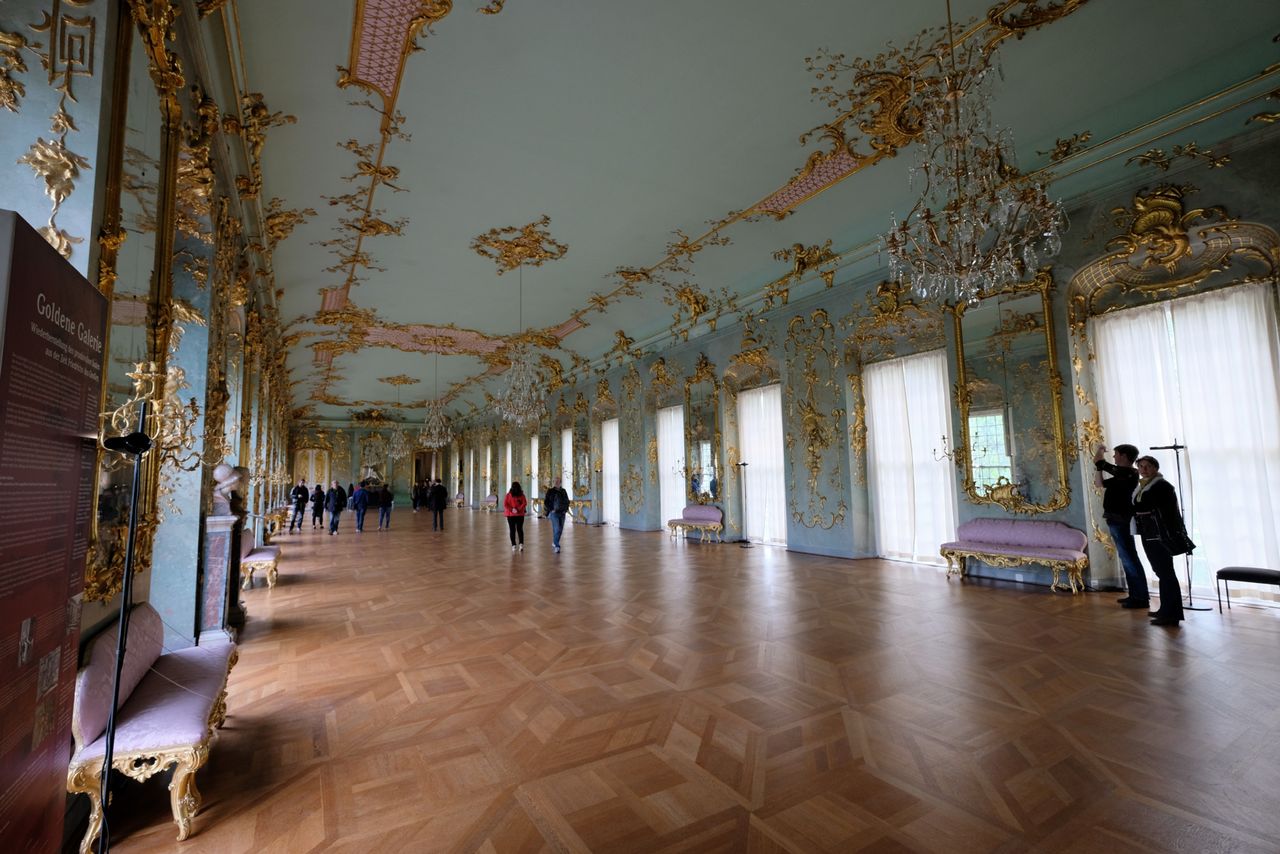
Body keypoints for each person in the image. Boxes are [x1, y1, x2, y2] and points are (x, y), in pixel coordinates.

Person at [1132, 455, 1189, 627]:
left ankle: (1172, 614)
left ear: (1155, 468)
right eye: (1141, 466)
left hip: (1159, 534)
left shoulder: (1162, 486)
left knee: (1165, 573)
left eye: (1148, 466)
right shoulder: (1145, 485)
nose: (1144, 470)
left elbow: (1146, 506)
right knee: (1161, 572)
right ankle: (1165, 610)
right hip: (1149, 533)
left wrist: (1135, 509)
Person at [1094, 443, 1147, 609]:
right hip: (1116, 519)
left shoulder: (1129, 472)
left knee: (1129, 558)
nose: (1114, 456)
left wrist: (1100, 450)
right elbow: (1099, 483)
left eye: (1116, 454)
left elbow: (1099, 461)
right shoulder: (1121, 474)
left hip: (1121, 520)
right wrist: (1098, 468)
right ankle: (1135, 595)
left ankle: (1140, 597)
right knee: (1127, 558)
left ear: (1124, 456)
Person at [544, 476, 569, 554]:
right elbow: (546, 502)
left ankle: (555, 542)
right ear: (553, 482)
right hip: (554, 513)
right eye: (555, 481)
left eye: (558, 481)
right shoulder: (550, 491)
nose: (556, 482)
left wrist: (565, 510)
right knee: (557, 529)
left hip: (562, 513)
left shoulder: (563, 491)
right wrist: (551, 509)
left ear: (560, 482)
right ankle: (557, 546)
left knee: (560, 530)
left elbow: (567, 501)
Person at [504, 481, 528, 551]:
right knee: (520, 529)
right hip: (520, 514)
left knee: (512, 530)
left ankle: (513, 545)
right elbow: (524, 503)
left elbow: (505, 504)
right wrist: (518, 509)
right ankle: (521, 544)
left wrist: (512, 509)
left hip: (511, 515)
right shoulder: (522, 495)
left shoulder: (508, 495)